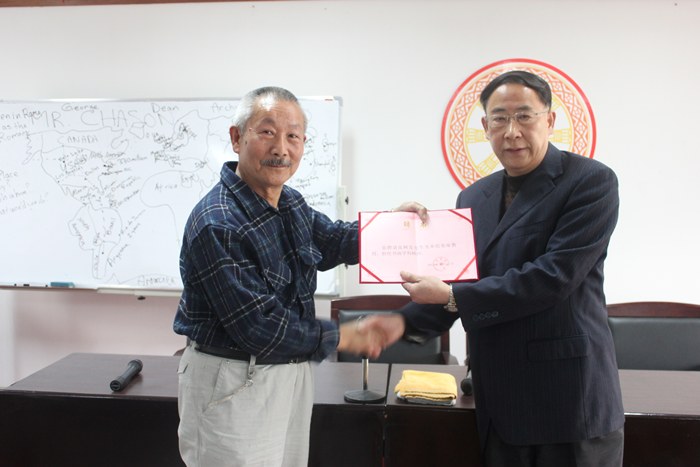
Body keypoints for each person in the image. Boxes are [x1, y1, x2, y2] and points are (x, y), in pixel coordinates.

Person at [365, 70, 624, 466]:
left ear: (550, 120)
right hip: (498, 401)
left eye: (524, 116)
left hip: (569, 402)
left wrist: (452, 295)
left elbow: (552, 278)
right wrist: (398, 324)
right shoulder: (474, 196)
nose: (512, 131)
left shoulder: (591, 182)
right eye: (500, 118)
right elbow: (463, 280)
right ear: (485, 127)